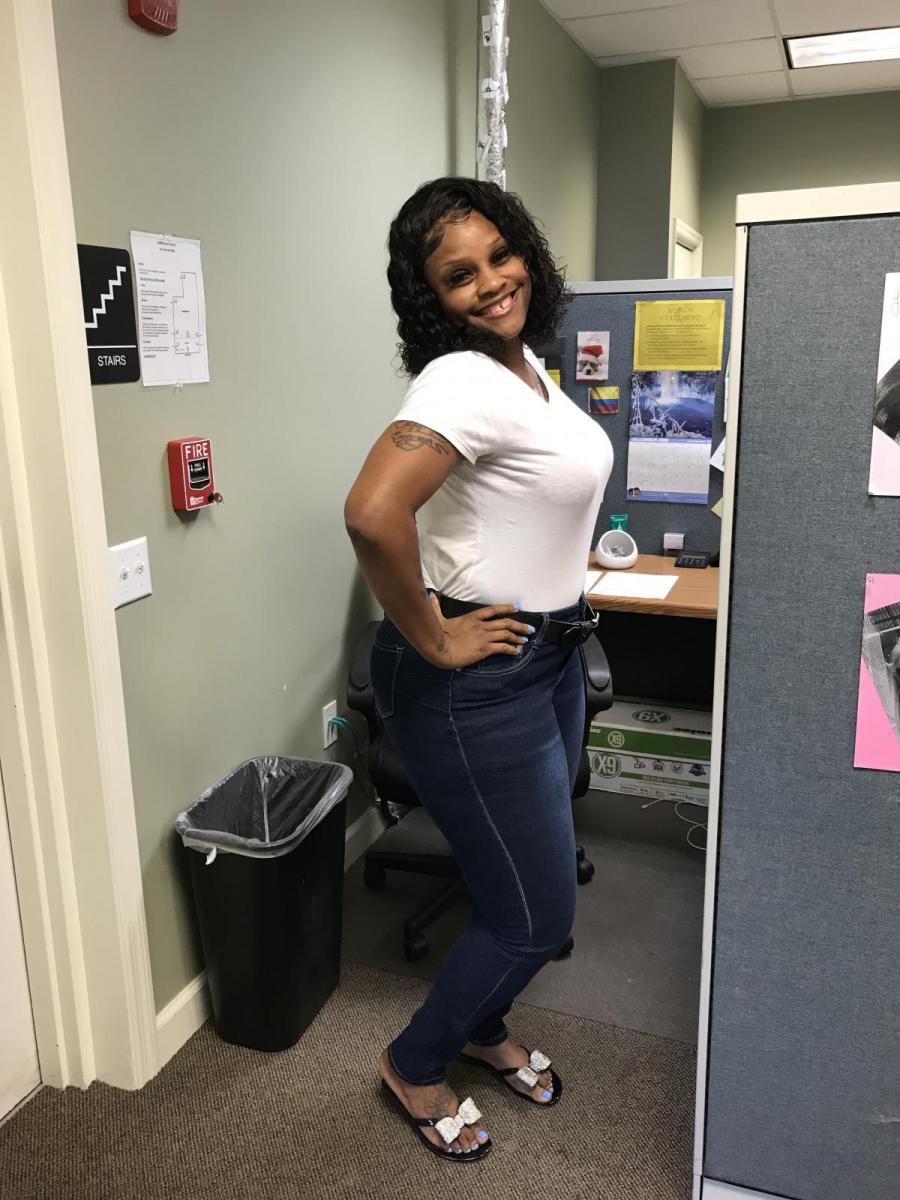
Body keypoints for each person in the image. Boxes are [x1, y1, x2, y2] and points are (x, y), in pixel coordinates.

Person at [344, 177, 613, 1163]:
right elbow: (374, 512)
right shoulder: (458, 378)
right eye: (460, 275)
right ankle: (416, 1064)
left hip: (546, 657)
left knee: (525, 901)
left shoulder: (526, 370)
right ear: (432, 299)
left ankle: (483, 1029)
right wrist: (437, 637)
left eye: (502, 256)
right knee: (536, 911)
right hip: (475, 673)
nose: (493, 281)